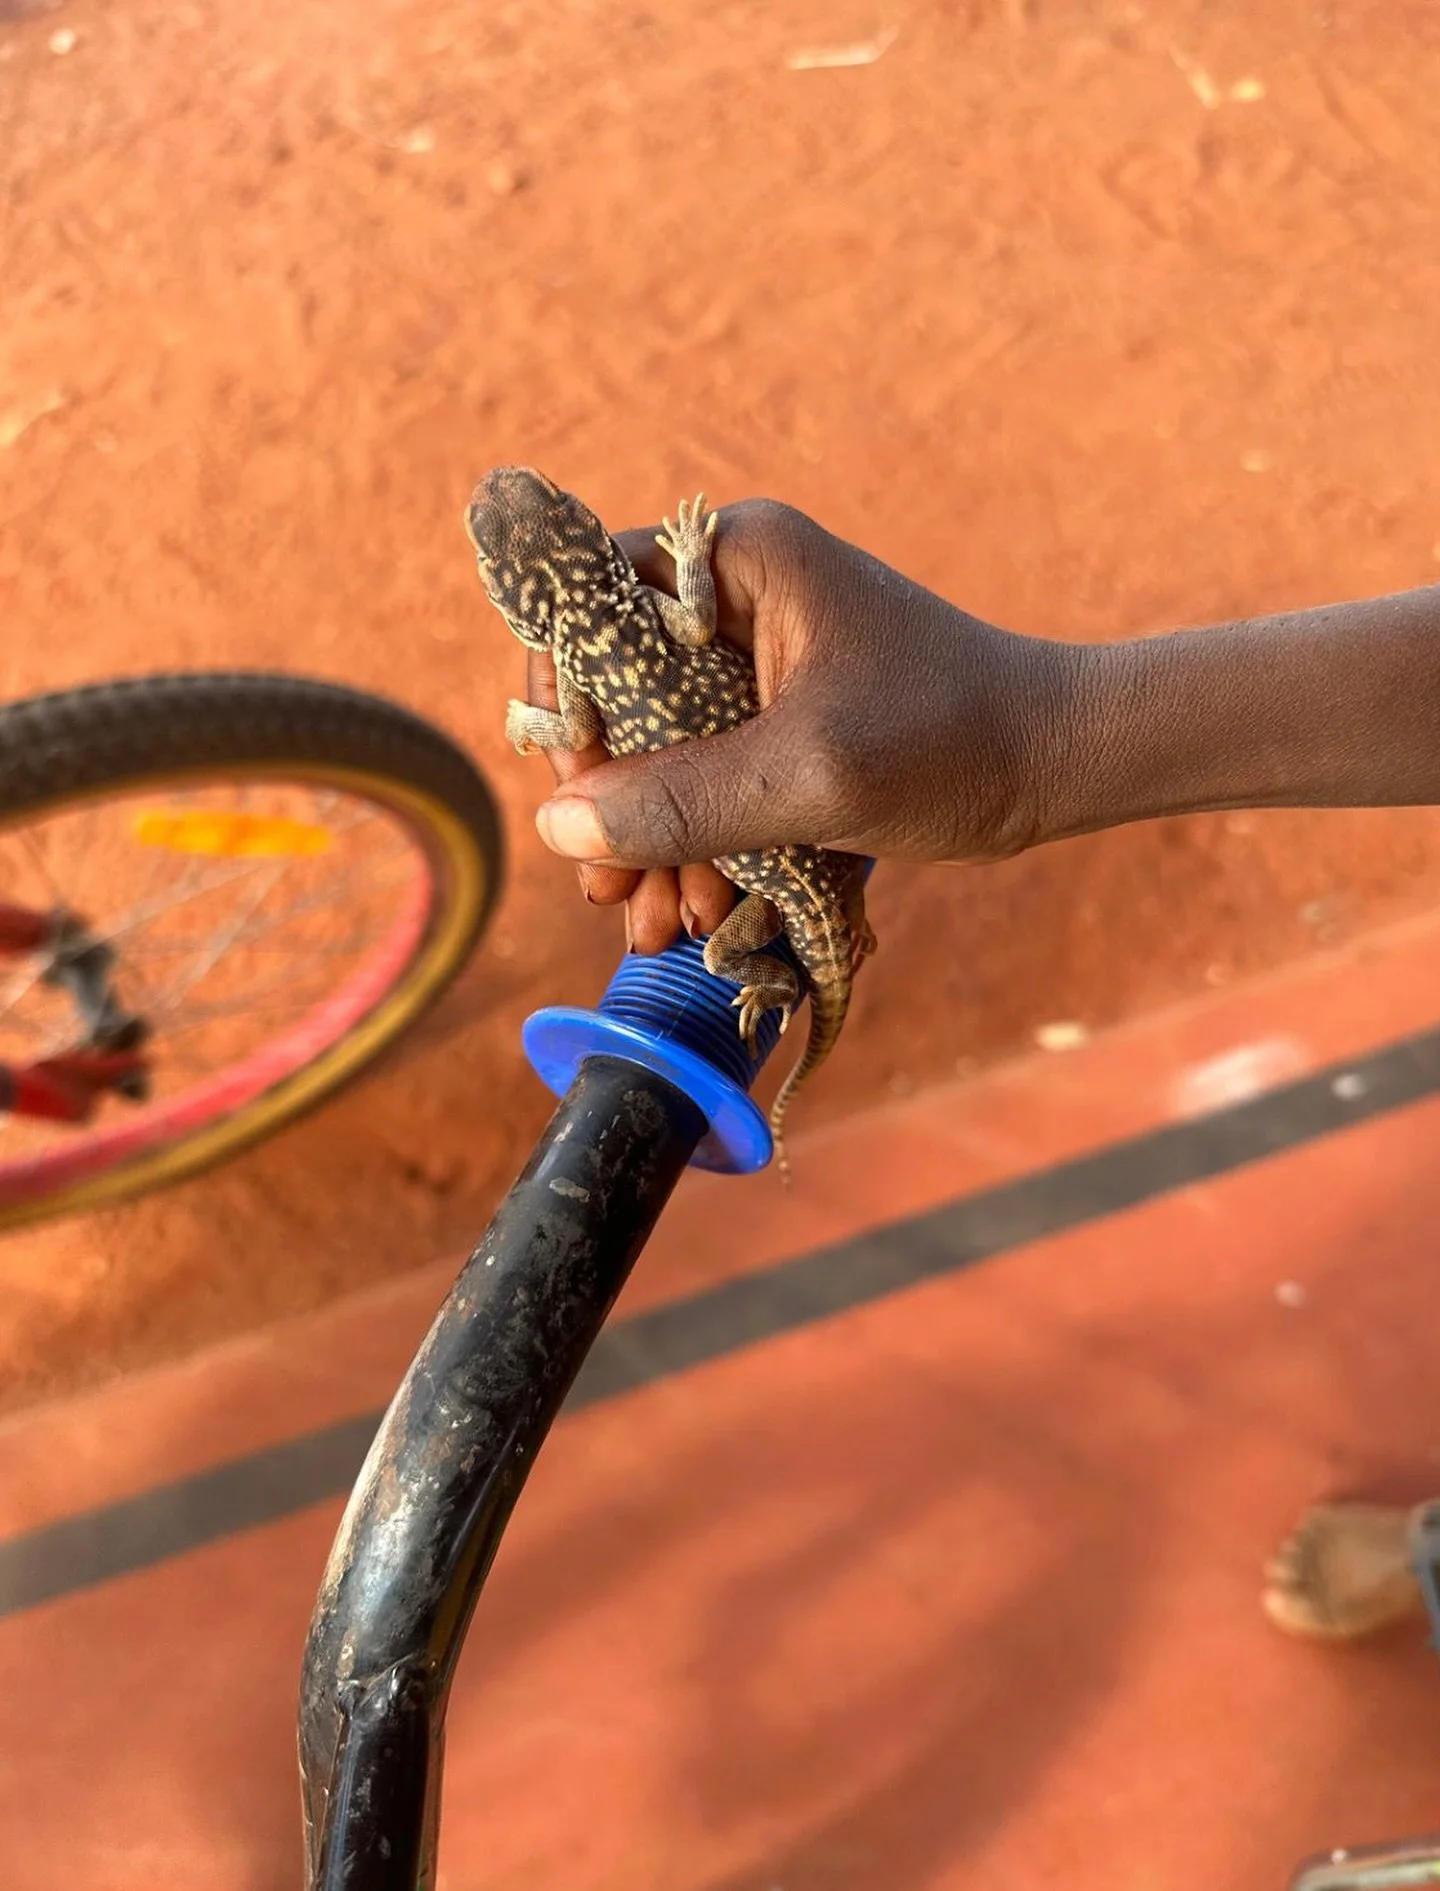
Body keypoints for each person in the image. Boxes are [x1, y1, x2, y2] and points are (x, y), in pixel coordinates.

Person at [511, 491, 1440, 1643]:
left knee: (745, 917)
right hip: (761, 859)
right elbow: (696, 620)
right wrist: (1019, 745)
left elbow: (558, 728)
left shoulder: (581, 664)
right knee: (756, 907)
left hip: (766, 877)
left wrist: (1024, 752)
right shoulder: (648, 608)